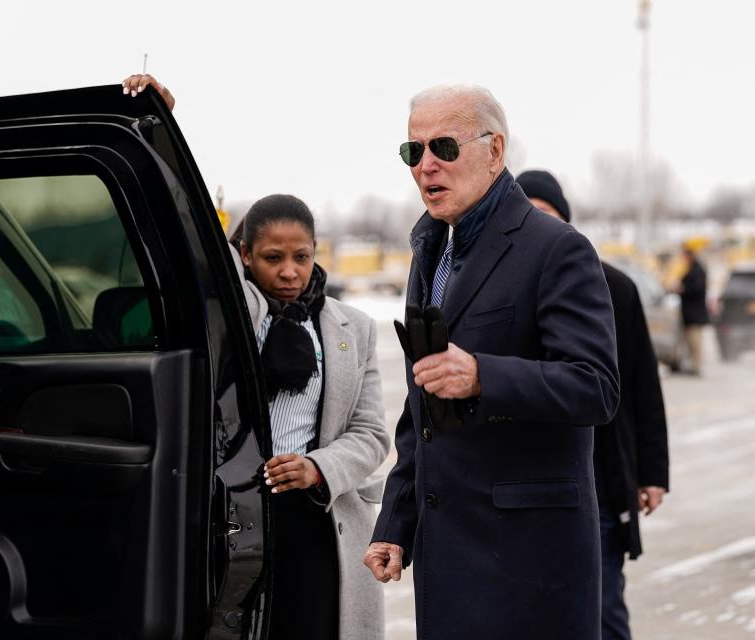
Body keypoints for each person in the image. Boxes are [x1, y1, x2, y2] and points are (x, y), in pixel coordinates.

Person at [122, 75, 391, 640]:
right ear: (244, 256)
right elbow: (185, 224)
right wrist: (161, 130)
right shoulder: (238, 312)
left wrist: (318, 466)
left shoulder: (353, 328)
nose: (289, 271)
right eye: (272, 258)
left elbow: (370, 434)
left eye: (301, 256)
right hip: (239, 518)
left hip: (323, 523)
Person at [363, 86, 620, 639]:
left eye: (444, 148)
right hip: (449, 562)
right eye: (414, 152)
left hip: (528, 567)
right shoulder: (432, 251)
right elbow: (423, 408)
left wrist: (483, 375)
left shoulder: (556, 248)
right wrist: (396, 521)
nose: (426, 166)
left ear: (495, 151)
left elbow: (595, 387)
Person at [518, 169, 670, 640]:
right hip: (527, 482)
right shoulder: (502, 290)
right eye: (529, 217)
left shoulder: (614, 287)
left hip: (601, 479)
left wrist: (651, 473)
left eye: (548, 216)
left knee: (603, 610)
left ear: (566, 223)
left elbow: (643, 384)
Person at [678, 244, 709, 374]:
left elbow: (697, 289)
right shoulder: (691, 269)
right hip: (689, 313)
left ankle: (696, 366)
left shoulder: (698, 270)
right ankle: (693, 364)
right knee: (690, 341)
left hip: (695, 313)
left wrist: (683, 289)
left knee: (695, 341)